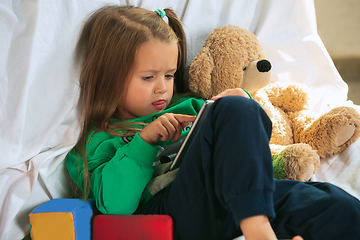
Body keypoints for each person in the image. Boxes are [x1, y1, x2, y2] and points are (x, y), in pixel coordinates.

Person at [65, 5, 360, 240]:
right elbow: (117, 206)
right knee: (231, 109)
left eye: (168, 75)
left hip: (234, 198)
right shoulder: (95, 141)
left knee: (337, 206)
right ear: (109, 77)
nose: (162, 88)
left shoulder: (189, 105)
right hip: (172, 215)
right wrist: (144, 142)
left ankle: (263, 224)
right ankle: (258, 230)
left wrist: (240, 98)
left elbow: (253, 141)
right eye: (148, 77)